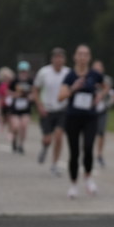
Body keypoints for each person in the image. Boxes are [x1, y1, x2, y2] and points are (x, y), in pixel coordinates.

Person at [58, 45, 107, 198]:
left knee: (88, 147)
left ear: (89, 57)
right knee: (74, 152)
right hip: (73, 117)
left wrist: (100, 96)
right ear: (75, 57)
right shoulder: (70, 76)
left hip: (90, 117)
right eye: (80, 54)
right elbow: (61, 97)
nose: (82, 57)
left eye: (85, 54)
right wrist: (73, 88)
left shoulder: (95, 75)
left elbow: (106, 87)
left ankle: (88, 177)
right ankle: (73, 184)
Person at [31, 48, 70, 176]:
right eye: (56, 57)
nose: (58, 60)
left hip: (62, 109)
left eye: (61, 57)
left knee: (58, 136)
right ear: (52, 59)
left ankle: (54, 164)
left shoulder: (68, 73)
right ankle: (45, 147)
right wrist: (39, 105)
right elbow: (35, 89)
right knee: (47, 139)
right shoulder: (44, 72)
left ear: (64, 60)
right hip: (47, 110)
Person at [7, 61, 34, 155]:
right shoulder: (14, 81)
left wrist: (31, 97)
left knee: (24, 126)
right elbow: (8, 92)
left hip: (26, 108)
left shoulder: (30, 81)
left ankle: (21, 144)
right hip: (15, 108)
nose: (23, 73)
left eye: (25, 71)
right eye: (22, 71)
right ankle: (14, 139)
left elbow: (34, 92)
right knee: (16, 126)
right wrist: (15, 94)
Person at [91, 59, 114, 168]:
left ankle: (99, 155)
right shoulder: (89, 79)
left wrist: (107, 105)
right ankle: (89, 153)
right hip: (90, 110)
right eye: (95, 69)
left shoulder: (107, 80)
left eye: (99, 69)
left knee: (101, 132)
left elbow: (112, 95)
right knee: (89, 132)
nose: (97, 71)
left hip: (102, 110)